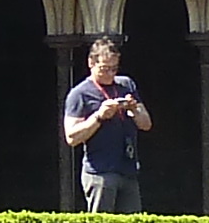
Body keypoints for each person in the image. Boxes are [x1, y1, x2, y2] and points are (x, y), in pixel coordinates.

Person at [60, 34, 151, 213]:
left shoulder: (126, 85)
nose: (110, 74)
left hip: (128, 169)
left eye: (114, 69)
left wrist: (133, 109)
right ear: (91, 63)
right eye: (105, 69)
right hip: (100, 173)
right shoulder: (80, 94)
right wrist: (99, 117)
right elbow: (71, 138)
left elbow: (146, 124)